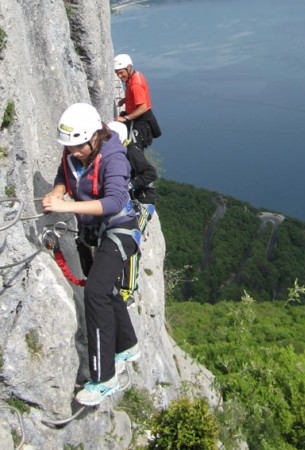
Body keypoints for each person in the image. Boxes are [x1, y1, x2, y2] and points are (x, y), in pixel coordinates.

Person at [42, 103, 141, 406]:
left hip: (121, 228)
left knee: (96, 292)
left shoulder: (114, 158)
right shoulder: (74, 151)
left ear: (95, 137)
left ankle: (104, 377)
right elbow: (64, 174)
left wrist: (65, 206)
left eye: (78, 147)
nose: (73, 152)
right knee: (106, 289)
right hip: (95, 231)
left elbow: (113, 202)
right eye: (69, 147)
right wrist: (57, 192)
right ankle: (128, 346)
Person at [114, 53, 161, 151]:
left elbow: (143, 107)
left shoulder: (135, 84)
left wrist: (125, 118)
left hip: (141, 121)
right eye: (117, 73)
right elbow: (135, 95)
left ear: (129, 68)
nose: (119, 76)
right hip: (138, 117)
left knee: (134, 149)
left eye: (121, 72)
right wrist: (125, 100)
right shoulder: (134, 76)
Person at [107, 120, 157, 205]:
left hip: (143, 200)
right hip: (130, 197)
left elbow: (151, 173)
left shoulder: (131, 152)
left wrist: (130, 185)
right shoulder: (118, 151)